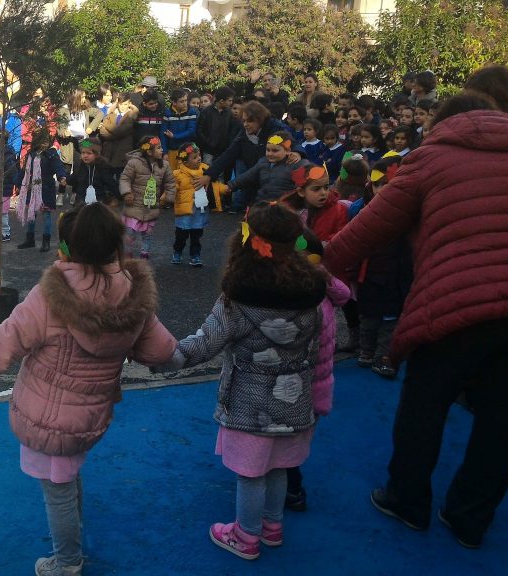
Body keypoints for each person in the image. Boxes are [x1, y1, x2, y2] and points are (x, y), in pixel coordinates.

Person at [324, 90, 508, 549]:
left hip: (455, 303)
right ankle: (470, 517)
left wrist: (310, 258)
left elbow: (364, 232)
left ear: (443, 122)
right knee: (502, 418)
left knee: (425, 404)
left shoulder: (431, 159)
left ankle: (407, 500)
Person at [0, 202, 177, 576]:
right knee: (66, 475)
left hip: (46, 416)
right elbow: (162, 349)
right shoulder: (134, 294)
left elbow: (5, 341)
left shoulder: (52, 295)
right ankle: (75, 533)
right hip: (90, 416)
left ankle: (67, 561)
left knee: (57, 490)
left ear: (67, 248)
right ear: (117, 247)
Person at [166, 202, 328, 561]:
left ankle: (246, 535)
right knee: (279, 467)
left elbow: (204, 343)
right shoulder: (311, 297)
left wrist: (166, 356)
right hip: (294, 400)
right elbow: (316, 348)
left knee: (250, 474)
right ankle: (272, 526)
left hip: (248, 403)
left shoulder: (237, 299)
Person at [283, 230, 351, 513]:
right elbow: (345, 294)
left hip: (296, 384)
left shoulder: (298, 297)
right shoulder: (324, 290)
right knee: (298, 440)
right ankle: (292, 485)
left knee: (284, 443)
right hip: (320, 384)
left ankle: (291, 490)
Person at [346, 155, 412, 378]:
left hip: (396, 273)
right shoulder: (361, 210)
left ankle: (384, 356)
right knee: (368, 314)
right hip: (369, 273)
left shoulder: (408, 213)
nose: (382, 189)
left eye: (387, 184)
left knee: (391, 318)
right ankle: (366, 350)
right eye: (377, 184)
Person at [203, 101, 298, 214]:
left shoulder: (275, 127)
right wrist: (209, 174)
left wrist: (297, 153)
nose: (245, 124)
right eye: (243, 121)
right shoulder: (245, 133)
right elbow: (229, 154)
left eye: (250, 121)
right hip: (255, 170)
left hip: (276, 178)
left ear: (260, 119)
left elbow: (293, 143)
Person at [120, 135, 176, 260]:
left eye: (161, 147)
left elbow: (170, 182)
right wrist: (126, 193)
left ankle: (144, 254)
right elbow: (125, 178)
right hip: (134, 204)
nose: (162, 150)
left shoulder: (165, 166)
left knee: (147, 234)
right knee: (129, 233)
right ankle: (127, 254)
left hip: (151, 206)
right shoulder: (134, 163)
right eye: (159, 148)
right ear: (149, 151)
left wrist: (169, 197)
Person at [16, 127, 67, 252]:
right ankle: (30, 239)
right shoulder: (31, 154)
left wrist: (62, 177)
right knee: (31, 213)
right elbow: (25, 171)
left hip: (46, 188)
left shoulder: (51, 154)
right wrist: (18, 182)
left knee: (47, 215)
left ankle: (46, 241)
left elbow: (58, 166)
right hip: (32, 188)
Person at [227, 132, 304, 205]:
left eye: (275, 151)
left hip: (285, 207)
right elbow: (247, 176)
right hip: (263, 205)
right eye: (268, 150)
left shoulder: (295, 164)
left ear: (287, 151)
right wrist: (230, 186)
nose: (270, 153)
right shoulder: (263, 162)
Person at [281, 163, 347, 243]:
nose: (323, 193)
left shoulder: (339, 210)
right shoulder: (287, 210)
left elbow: (341, 236)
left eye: (326, 187)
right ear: (301, 192)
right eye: (316, 189)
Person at [171, 143, 210, 267]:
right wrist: (165, 197)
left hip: (199, 211)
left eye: (199, 155)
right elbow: (172, 188)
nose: (199, 158)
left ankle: (195, 255)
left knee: (196, 236)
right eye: (195, 157)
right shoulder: (178, 174)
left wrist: (226, 188)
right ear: (185, 162)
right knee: (181, 236)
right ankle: (177, 252)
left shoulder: (205, 171)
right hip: (184, 212)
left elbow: (214, 186)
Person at [195, 86, 240, 166]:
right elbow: (199, 130)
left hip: (223, 151)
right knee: (206, 169)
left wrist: (228, 145)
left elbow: (232, 131)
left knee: (220, 174)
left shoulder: (229, 113)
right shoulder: (206, 112)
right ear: (222, 101)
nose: (231, 103)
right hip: (208, 151)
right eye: (229, 100)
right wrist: (207, 143)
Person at [99, 93, 138, 182]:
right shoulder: (112, 113)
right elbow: (102, 132)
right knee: (107, 180)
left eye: (125, 104)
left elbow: (120, 131)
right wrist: (112, 134)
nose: (123, 107)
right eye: (121, 104)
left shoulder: (131, 116)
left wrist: (105, 124)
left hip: (123, 153)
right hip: (109, 152)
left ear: (129, 104)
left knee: (122, 180)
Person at [68, 138, 118, 206]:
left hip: (98, 203)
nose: (85, 156)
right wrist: (66, 179)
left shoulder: (103, 167)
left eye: (89, 153)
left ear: (96, 154)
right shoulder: (81, 166)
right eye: (83, 153)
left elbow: (111, 184)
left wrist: (116, 197)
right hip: (81, 203)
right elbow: (74, 178)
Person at [162, 88, 199, 169]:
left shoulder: (192, 112)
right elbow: (163, 134)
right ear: (174, 102)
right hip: (172, 149)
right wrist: (164, 152)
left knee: (186, 173)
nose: (185, 103)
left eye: (186, 100)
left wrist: (174, 136)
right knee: (172, 174)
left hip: (187, 149)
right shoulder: (167, 113)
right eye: (181, 101)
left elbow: (191, 131)